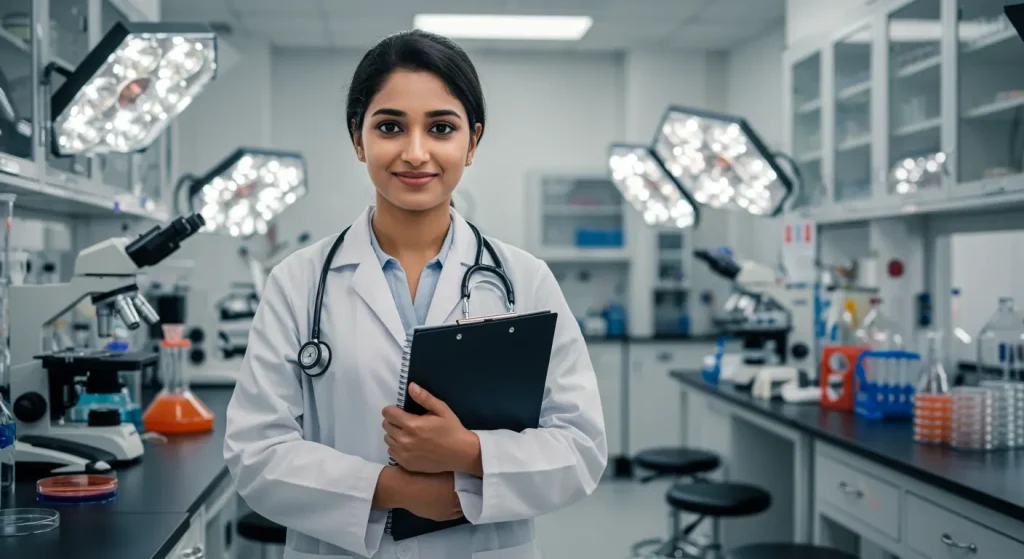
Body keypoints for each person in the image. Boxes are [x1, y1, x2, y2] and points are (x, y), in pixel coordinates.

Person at [223, 29, 607, 559]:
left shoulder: (526, 280)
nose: (416, 152)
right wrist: (392, 489)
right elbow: (255, 453)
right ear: (359, 139)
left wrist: (470, 453)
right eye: (390, 126)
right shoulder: (298, 282)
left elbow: (581, 447)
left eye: (441, 127)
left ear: (471, 142)